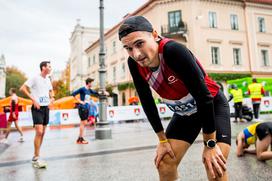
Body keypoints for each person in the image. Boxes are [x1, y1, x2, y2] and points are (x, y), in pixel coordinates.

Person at [119, 16, 231, 181]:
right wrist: (162, 140)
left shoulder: (173, 50)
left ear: (155, 35)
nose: (136, 54)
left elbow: (204, 97)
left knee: (214, 164)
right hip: (185, 114)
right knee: (164, 162)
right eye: (128, 48)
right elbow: (146, 101)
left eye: (139, 43)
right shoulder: (133, 63)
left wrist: (210, 144)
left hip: (211, 106)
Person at [20, 61, 54, 168]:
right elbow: (23, 88)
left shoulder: (48, 79)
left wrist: (52, 98)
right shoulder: (35, 78)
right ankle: (36, 157)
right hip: (37, 108)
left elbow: (51, 90)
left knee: (43, 132)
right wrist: (34, 100)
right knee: (39, 131)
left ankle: (37, 154)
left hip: (46, 107)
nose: (50, 68)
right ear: (43, 67)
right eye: (49, 66)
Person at [72, 78, 98, 144]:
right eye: (91, 82)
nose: (92, 84)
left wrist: (104, 92)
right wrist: (80, 101)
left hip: (86, 108)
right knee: (83, 123)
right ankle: (81, 139)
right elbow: (73, 94)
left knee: (83, 123)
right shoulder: (82, 89)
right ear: (88, 83)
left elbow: (96, 93)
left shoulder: (89, 90)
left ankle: (79, 138)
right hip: (82, 107)